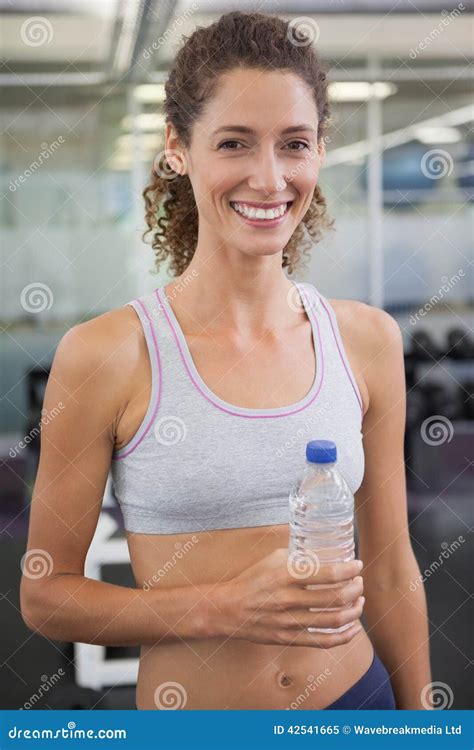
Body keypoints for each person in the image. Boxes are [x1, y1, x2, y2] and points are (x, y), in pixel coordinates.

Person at [20, 10, 432, 710]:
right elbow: (45, 595)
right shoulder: (108, 355)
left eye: (294, 144)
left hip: (358, 705)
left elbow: (392, 571)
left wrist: (423, 719)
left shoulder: (366, 341)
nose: (269, 179)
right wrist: (223, 607)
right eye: (236, 143)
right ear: (178, 147)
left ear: (320, 150)